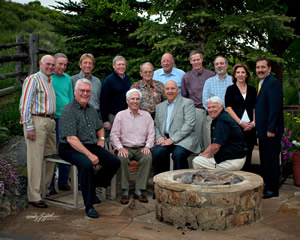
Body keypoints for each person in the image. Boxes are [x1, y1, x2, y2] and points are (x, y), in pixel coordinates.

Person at [58, 78, 120, 218]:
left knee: (114, 162)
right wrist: (89, 155)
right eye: (82, 91)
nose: (85, 93)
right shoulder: (69, 110)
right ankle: (89, 205)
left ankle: (91, 186)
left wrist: (101, 140)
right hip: (69, 147)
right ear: (75, 92)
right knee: (86, 164)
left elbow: (99, 128)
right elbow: (71, 138)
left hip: (91, 144)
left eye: (88, 91)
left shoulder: (91, 109)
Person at [19, 55, 57, 208]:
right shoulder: (33, 79)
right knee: (35, 159)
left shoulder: (50, 81)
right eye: (48, 64)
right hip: (37, 121)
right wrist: (28, 125)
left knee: (50, 157)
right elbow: (25, 104)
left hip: (50, 122)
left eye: (53, 64)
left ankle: (45, 189)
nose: (50, 67)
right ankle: (34, 195)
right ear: (40, 64)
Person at [110, 89, 155, 205]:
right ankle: (125, 191)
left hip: (141, 148)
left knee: (147, 158)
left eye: (137, 99)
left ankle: (139, 191)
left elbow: (151, 134)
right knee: (122, 158)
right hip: (125, 147)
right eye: (132, 99)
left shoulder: (146, 116)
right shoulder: (120, 115)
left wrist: (148, 146)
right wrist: (120, 148)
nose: (135, 101)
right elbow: (114, 134)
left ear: (140, 101)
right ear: (127, 101)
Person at [152, 80, 201, 176]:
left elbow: (189, 125)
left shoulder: (187, 103)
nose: (170, 91)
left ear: (178, 90)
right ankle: (161, 183)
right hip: (165, 139)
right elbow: (156, 125)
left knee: (178, 154)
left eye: (172, 88)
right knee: (157, 153)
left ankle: (181, 183)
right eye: (167, 89)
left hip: (184, 139)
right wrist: (159, 137)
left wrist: (173, 139)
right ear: (164, 91)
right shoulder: (159, 106)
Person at [193, 96, 247, 171]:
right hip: (233, 157)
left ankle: (207, 182)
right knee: (201, 157)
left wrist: (206, 156)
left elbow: (216, 146)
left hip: (232, 161)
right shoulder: (221, 117)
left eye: (214, 107)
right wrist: (202, 154)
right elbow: (213, 144)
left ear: (222, 107)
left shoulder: (222, 121)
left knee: (197, 161)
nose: (211, 110)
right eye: (209, 107)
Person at [255, 57, 284, 199]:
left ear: (269, 68)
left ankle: (273, 189)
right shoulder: (263, 83)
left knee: (271, 160)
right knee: (265, 160)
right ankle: (269, 185)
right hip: (263, 131)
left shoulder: (273, 83)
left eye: (263, 67)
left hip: (270, 131)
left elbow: (275, 108)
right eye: (258, 67)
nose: (260, 70)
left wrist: (271, 129)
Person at [48, 53, 74, 195]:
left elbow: (70, 98)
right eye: (60, 64)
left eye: (65, 64)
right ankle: (50, 185)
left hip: (65, 119)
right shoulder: (49, 78)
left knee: (66, 149)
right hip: (52, 119)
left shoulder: (68, 78)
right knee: (53, 151)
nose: (62, 67)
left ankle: (63, 182)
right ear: (54, 63)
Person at [225, 63, 257, 172]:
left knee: (249, 153)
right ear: (234, 75)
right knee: (236, 154)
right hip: (236, 126)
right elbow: (228, 108)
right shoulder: (230, 89)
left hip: (250, 127)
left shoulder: (252, 90)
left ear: (247, 75)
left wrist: (254, 123)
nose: (240, 75)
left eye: (243, 72)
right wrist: (240, 122)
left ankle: (247, 180)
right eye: (238, 72)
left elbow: (255, 108)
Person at [181, 50, 215, 149]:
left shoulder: (211, 75)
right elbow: (184, 97)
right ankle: (199, 159)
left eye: (198, 59)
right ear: (190, 62)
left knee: (210, 137)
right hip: (196, 110)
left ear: (202, 60)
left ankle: (211, 158)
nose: (196, 62)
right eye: (194, 60)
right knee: (198, 139)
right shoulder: (186, 77)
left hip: (211, 112)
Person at [100, 56, 131, 132]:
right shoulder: (109, 80)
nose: (121, 67)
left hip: (126, 115)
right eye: (119, 64)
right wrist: (105, 120)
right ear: (114, 66)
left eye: (123, 64)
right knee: (114, 139)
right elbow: (103, 101)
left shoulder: (127, 79)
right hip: (113, 116)